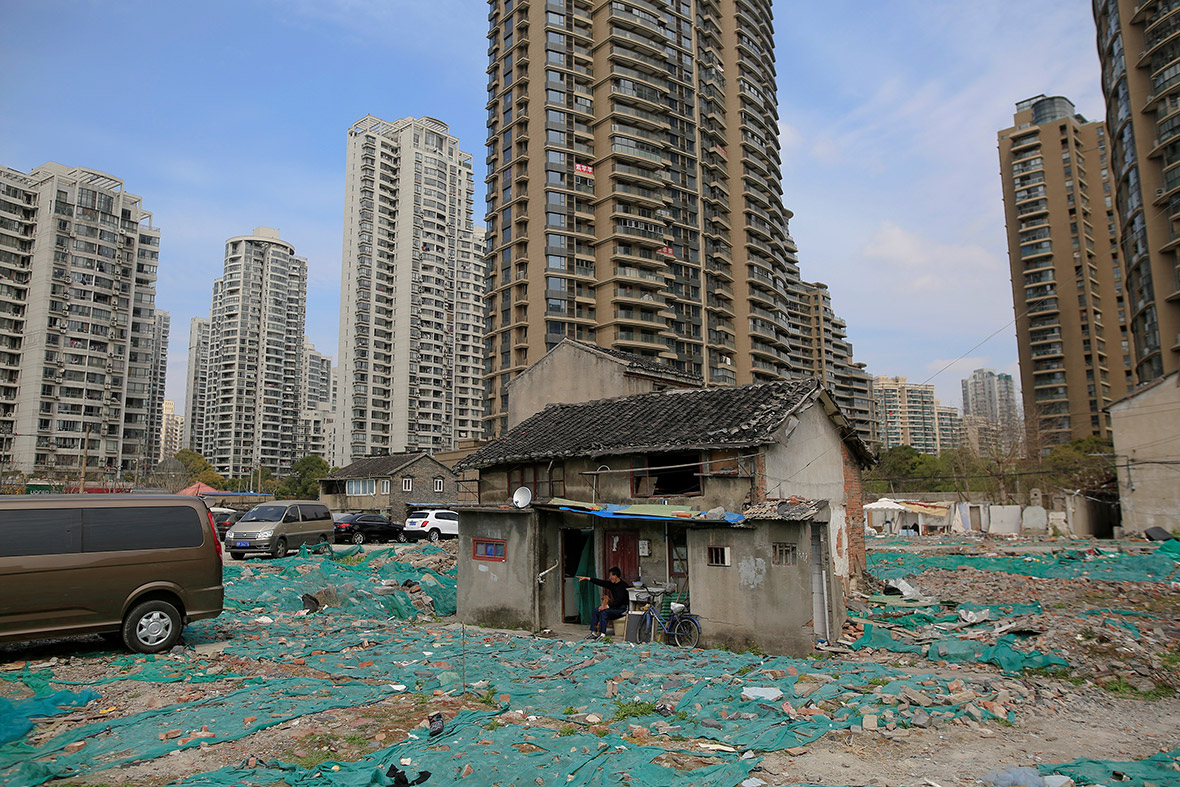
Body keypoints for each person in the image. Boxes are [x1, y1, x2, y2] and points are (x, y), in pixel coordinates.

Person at [577, 566, 629, 640]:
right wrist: (587, 578)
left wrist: (606, 606)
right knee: (596, 610)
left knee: (604, 612)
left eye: (611, 576)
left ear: (615, 576)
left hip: (622, 610)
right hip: (615, 608)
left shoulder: (623, 586)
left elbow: (619, 601)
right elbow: (601, 582)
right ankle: (593, 632)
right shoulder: (612, 584)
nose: (610, 578)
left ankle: (603, 634)